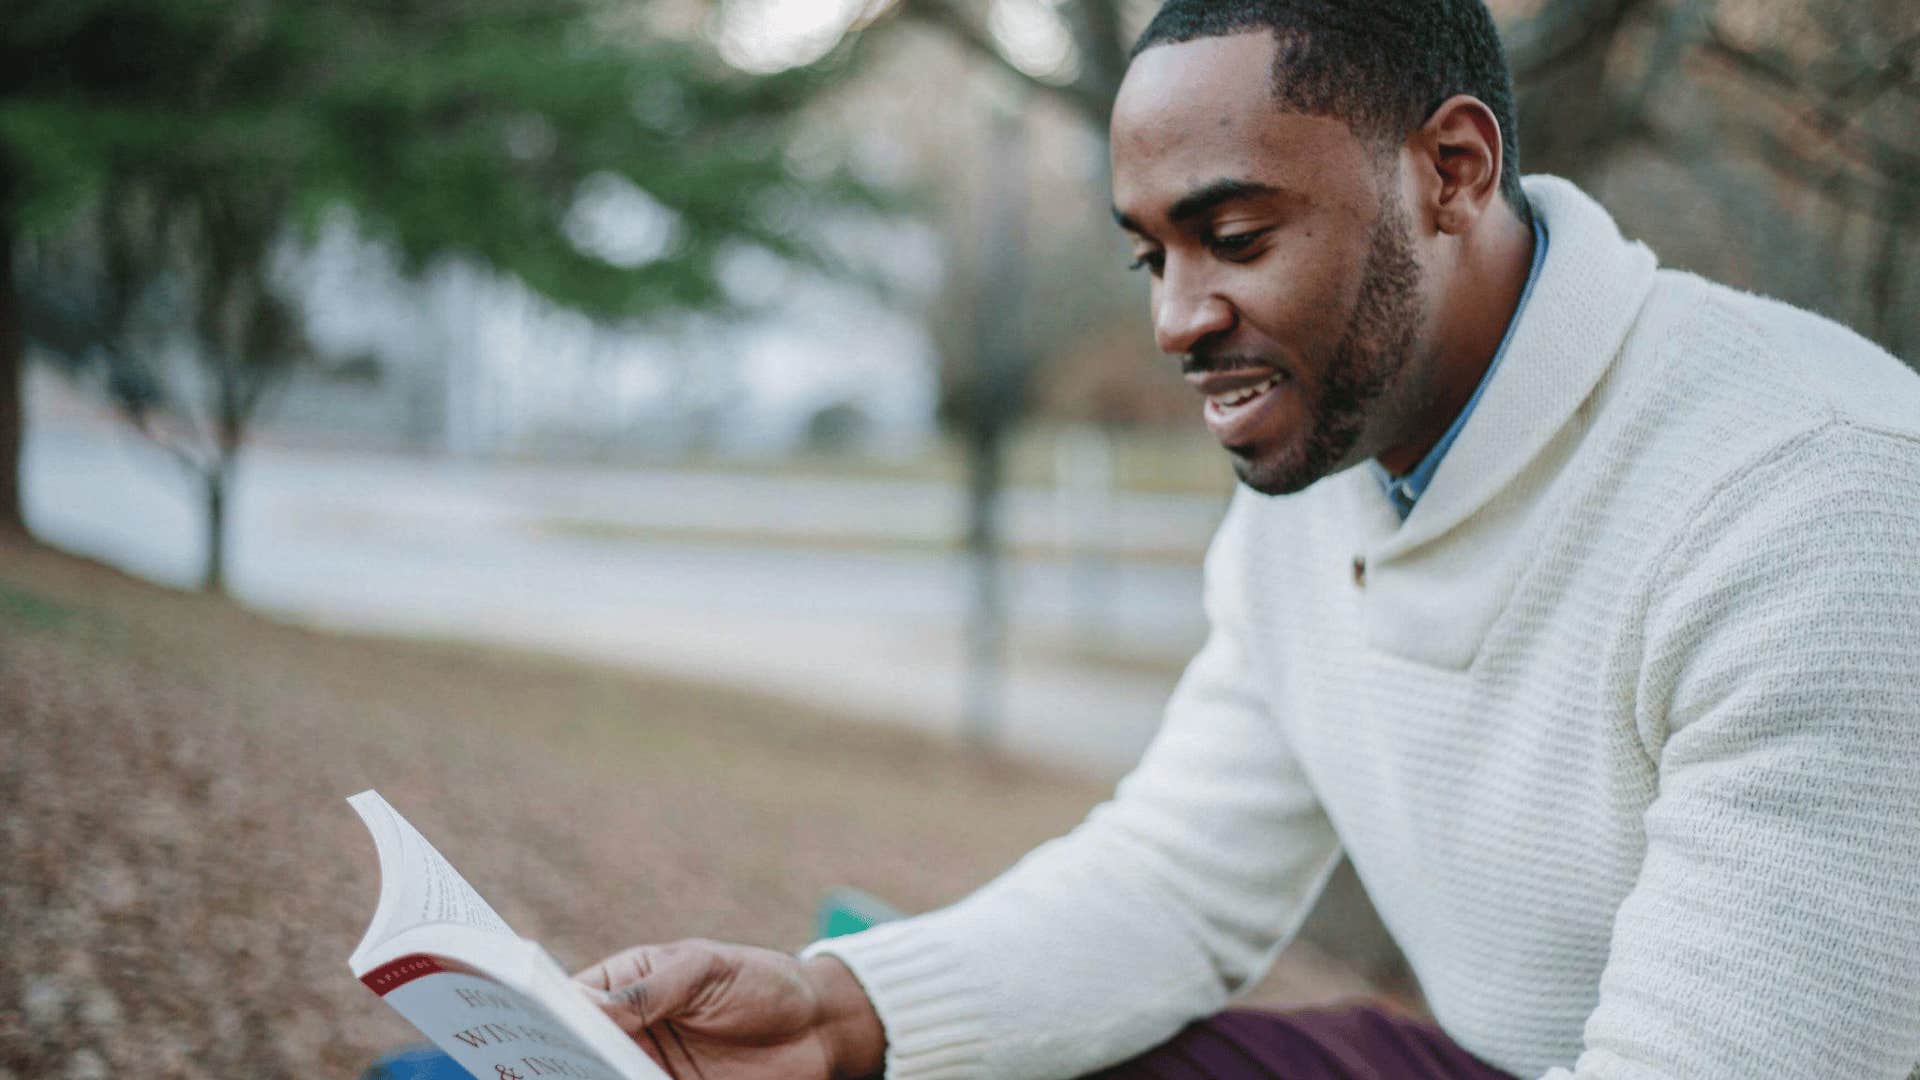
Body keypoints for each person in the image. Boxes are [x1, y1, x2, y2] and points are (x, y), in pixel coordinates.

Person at [575, 2, 1920, 1077]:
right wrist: (835, 1014)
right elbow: (1174, 883)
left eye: (1232, 236)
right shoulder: (1330, 464)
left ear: (1451, 171)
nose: (1176, 320)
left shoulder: (1813, 503)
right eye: (1152, 256)